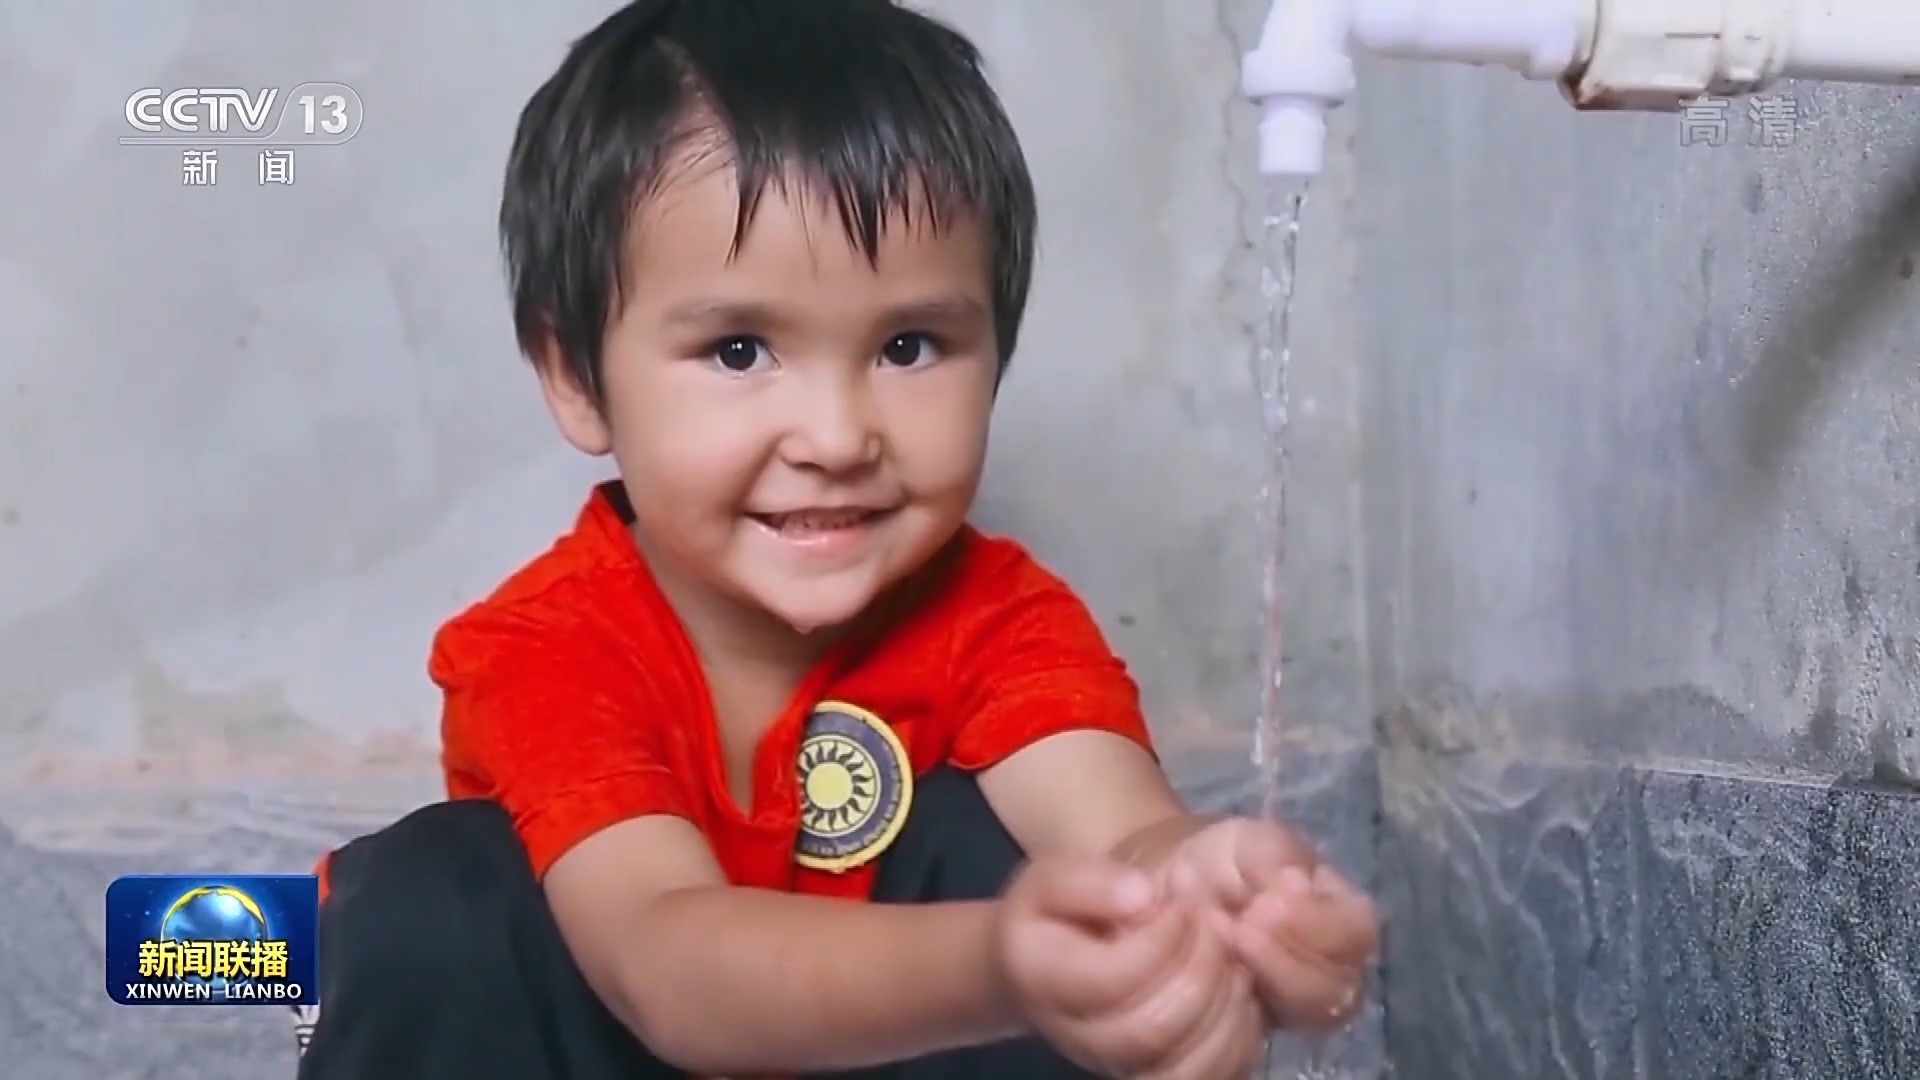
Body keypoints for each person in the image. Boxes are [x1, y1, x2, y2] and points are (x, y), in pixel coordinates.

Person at [295, 1, 1379, 1077]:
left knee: (1024, 872)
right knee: (433, 898)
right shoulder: (547, 648)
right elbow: (668, 963)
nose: (837, 437)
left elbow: (1123, 838)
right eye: (738, 350)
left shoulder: (997, 619)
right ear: (577, 376)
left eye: (909, 346)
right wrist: (996, 966)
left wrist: (1217, 898)